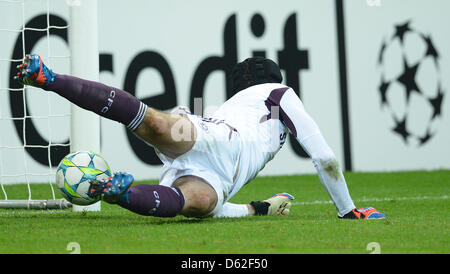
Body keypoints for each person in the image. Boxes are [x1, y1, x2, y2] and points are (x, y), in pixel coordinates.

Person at [15, 54, 385, 219]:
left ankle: (120, 192)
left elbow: (226, 209)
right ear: (273, 77)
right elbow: (323, 157)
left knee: (200, 203)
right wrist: (347, 209)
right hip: (219, 138)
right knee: (160, 133)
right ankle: (49, 79)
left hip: (218, 172)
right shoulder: (279, 93)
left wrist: (257, 209)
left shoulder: (243, 102)